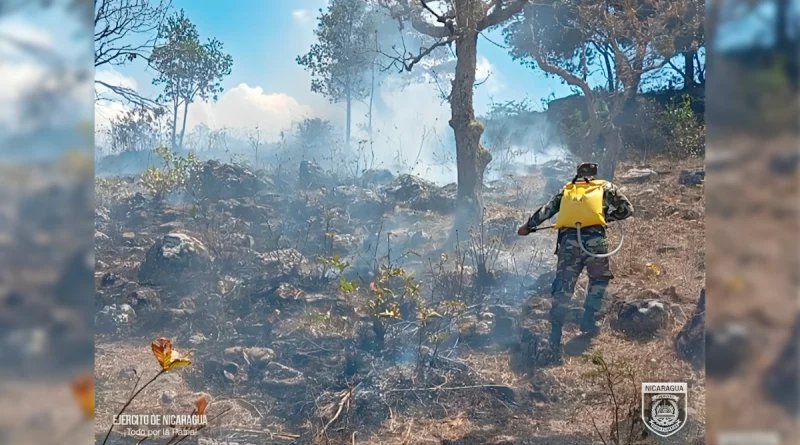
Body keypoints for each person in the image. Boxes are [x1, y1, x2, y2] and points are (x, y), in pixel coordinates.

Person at [517, 162, 634, 362]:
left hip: (568, 243)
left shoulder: (567, 190)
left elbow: (546, 211)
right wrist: (607, 216)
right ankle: (588, 319)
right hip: (595, 242)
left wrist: (527, 227)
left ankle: (555, 334)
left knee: (564, 285)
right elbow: (627, 209)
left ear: (578, 174)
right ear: (595, 174)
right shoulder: (605, 187)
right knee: (598, 280)